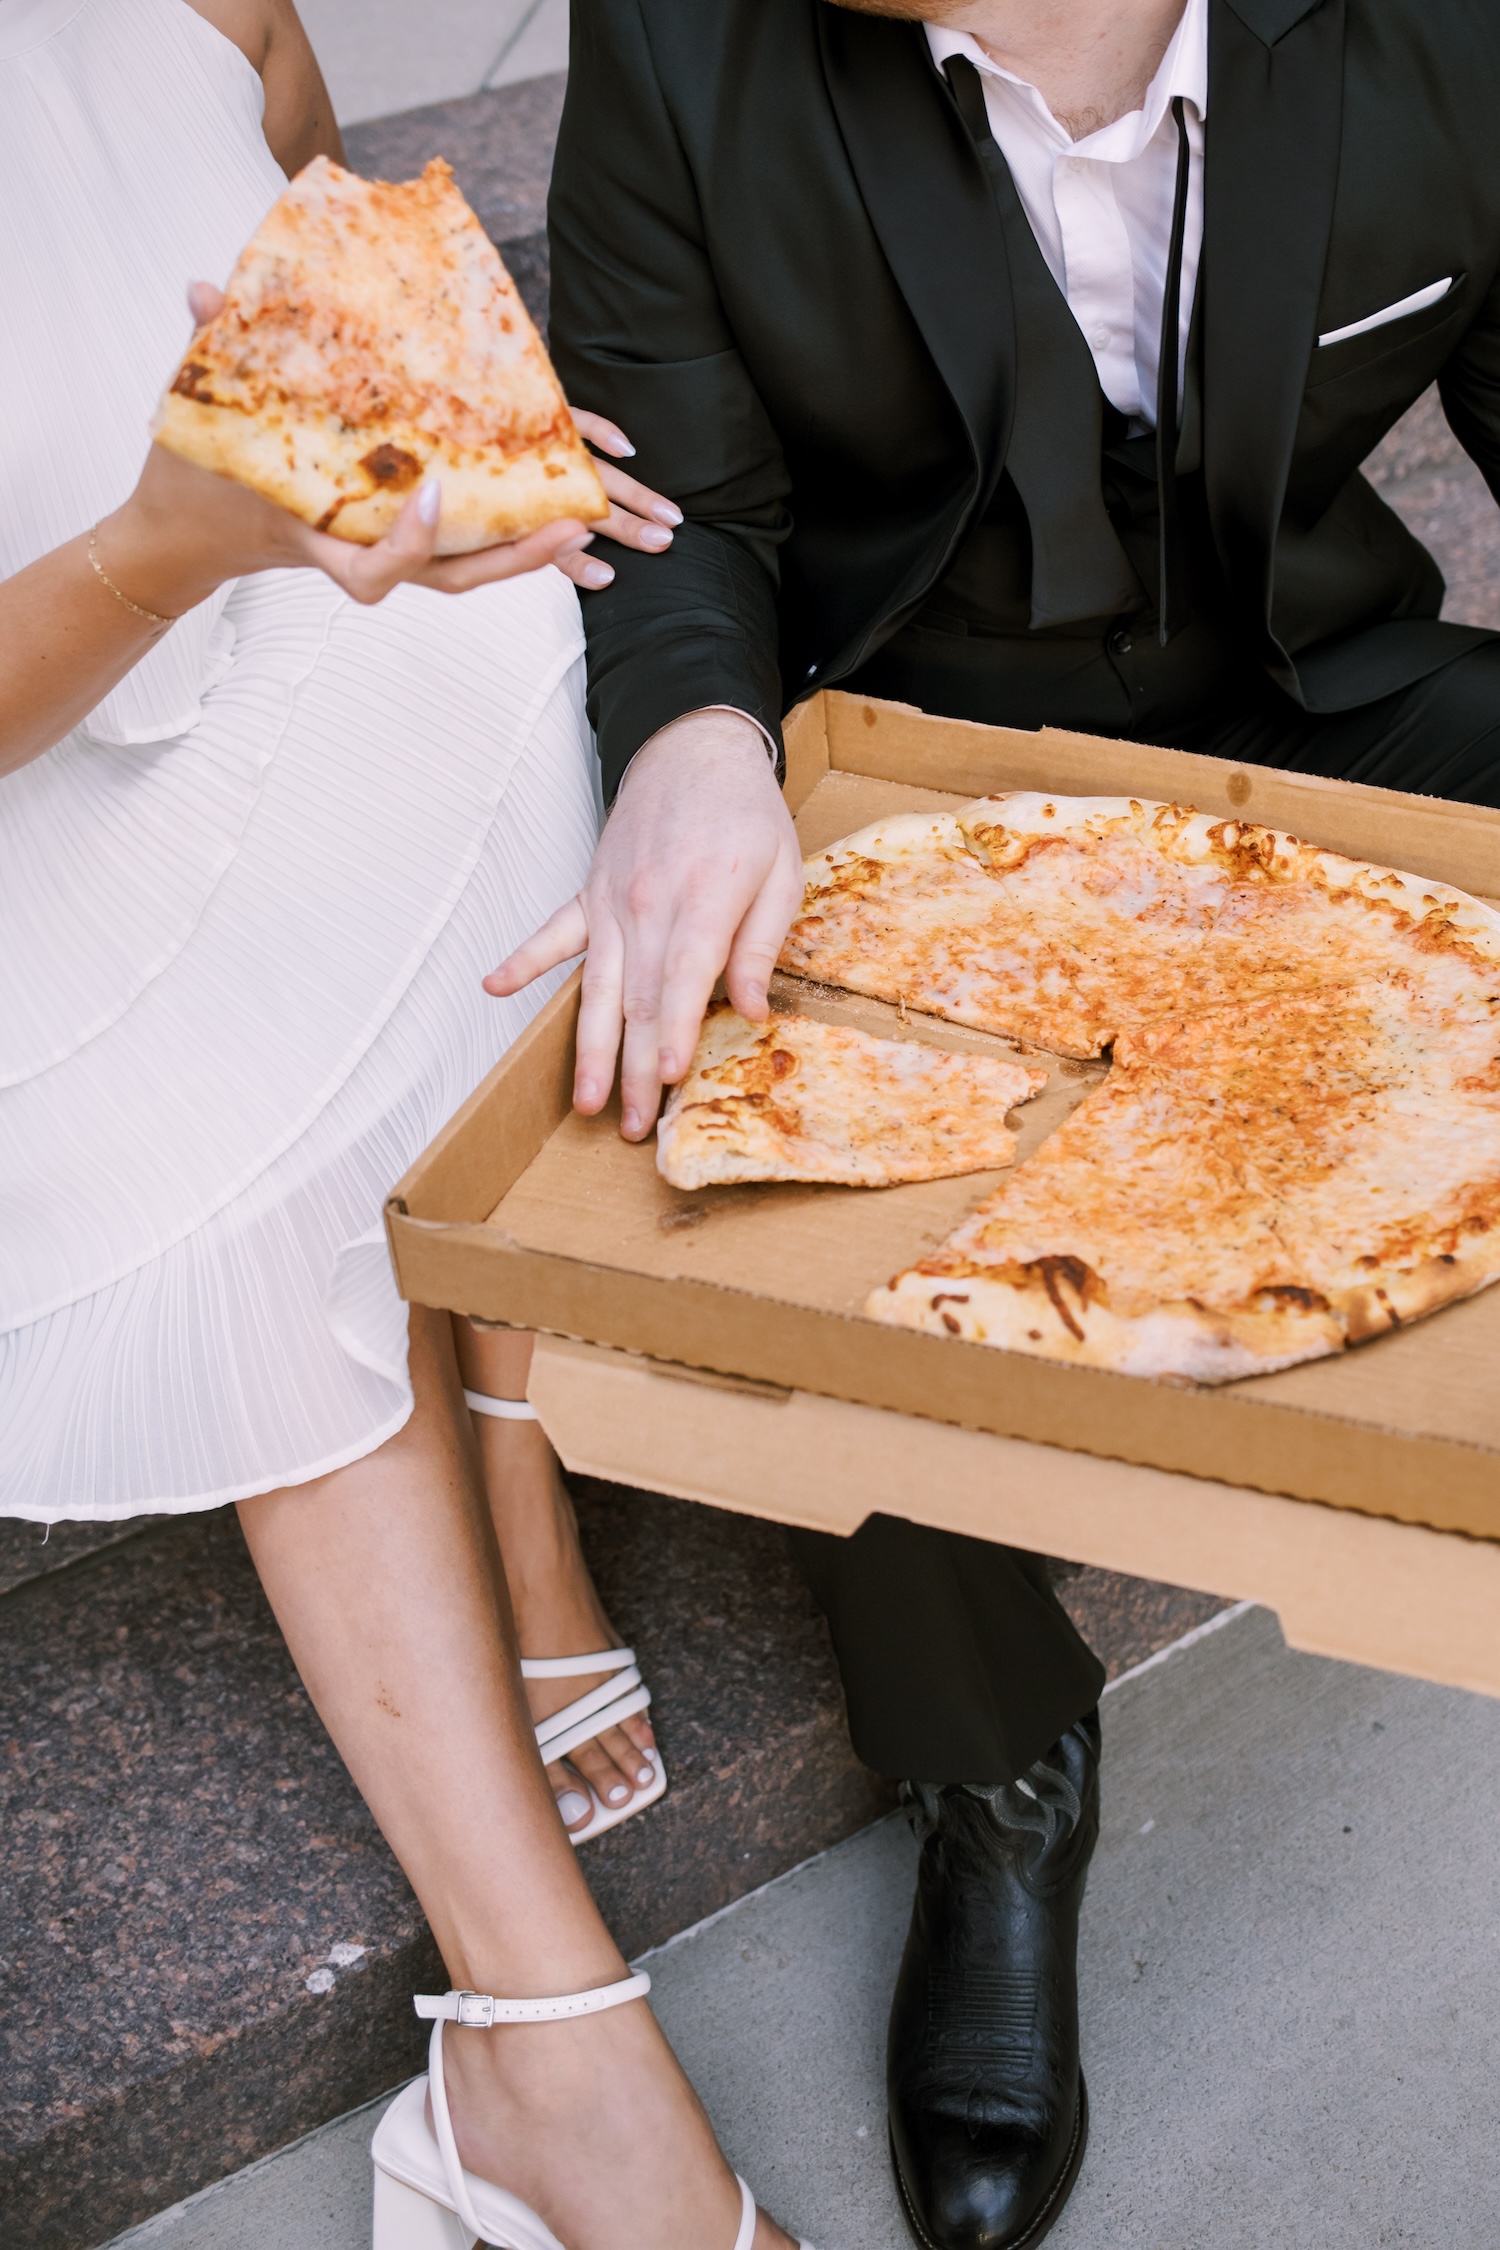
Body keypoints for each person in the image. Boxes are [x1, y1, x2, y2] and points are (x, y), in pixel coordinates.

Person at [496, 0, 1500, 2242]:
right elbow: (672, 501)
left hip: (1308, 697)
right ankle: (995, 1764)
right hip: (904, 742)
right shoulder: (678, 37)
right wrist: (688, 730)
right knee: (731, 1134)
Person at [0, 1, 813, 2243]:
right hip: (46, 730)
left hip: (278, 579)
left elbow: (298, 172)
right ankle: (547, 2056)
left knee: (541, 726)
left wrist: (423, 437)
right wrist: (179, 548)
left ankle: (530, 1519)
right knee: (238, 1127)